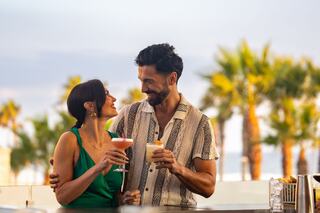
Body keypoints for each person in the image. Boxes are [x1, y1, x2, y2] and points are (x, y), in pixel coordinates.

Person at [51, 43, 218, 207]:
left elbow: (209, 187)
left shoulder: (200, 124)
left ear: (172, 79)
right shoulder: (128, 115)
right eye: (141, 80)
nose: (143, 88)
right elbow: (99, 150)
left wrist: (177, 168)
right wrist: (62, 166)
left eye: (149, 81)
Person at [53, 79, 140, 208]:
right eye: (106, 94)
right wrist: (97, 168)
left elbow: (114, 195)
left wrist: (125, 199)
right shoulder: (69, 139)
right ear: (90, 106)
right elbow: (62, 197)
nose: (114, 98)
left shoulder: (117, 141)